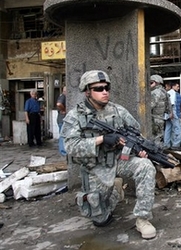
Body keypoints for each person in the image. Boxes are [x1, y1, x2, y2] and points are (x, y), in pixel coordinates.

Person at [61, 70, 157, 239]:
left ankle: (142, 219)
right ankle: (114, 192)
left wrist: (138, 150)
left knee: (145, 166)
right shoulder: (76, 116)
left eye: (107, 87)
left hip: (119, 159)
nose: (105, 91)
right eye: (99, 88)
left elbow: (135, 134)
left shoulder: (118, 111)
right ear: (87, 92)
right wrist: (101, 139)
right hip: (95, 167)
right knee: (100, 219)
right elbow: (70, 146)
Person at [150, 74, 171, 146]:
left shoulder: (155, 92)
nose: (149, 85)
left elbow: (151, 105)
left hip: (154, 118)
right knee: (159, 136)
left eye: (151, 83)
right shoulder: (164, 92)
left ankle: (156, 152)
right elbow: (169, 105)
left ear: (157, 83)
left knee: (154, 138)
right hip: (160, 118)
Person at [164, 82, 181, 150]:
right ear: (173, 86)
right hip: (173, 113)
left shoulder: (167, 93)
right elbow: (171, 105)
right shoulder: (173, 93)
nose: (178, 88)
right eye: (177, 86)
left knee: (168, 128)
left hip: (167, 113)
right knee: (177, 128)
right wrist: (172, 113)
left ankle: (166, 144)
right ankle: (176, 145)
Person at [56, 86, 67, 156]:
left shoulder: (63, 96)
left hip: (62, 119)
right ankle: (63, 152)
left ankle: (64, 151)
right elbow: (59, 104)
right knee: (62, 136)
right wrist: (64, 110)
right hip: (62, 119)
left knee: (63, 135)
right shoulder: (63, 96)